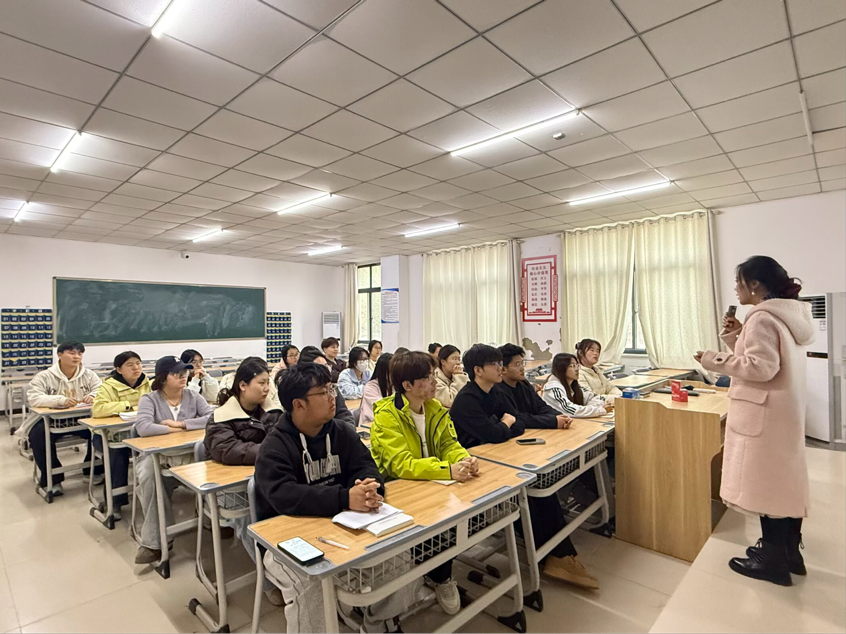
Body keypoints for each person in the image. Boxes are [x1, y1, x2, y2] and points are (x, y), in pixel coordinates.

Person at [256, 364, 415, 633]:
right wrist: (344, 498)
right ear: (298, 404)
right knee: (312, 583)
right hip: (286, 540)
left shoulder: (341, 431)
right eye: (324, 392)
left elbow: (366, 466)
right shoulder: (275, 446)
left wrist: (369, 488)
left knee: (399, 557)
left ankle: (378, 625)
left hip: (343, 526)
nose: (334, 397)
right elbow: (284, 496)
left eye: (332, 389)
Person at [695, 256, 813, 587]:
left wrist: (714, 359)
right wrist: (738, 336)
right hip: (783, 412)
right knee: (785, 484)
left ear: (755, 284)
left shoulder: (762, 316)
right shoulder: (788, 315)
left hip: (764, 415)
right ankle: (789, 553)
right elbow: (766, 359)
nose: (736, 288)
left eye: (739, 281)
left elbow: (761, 368)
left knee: (767, 488)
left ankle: (771, 560)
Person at [451, 344, 599, 589]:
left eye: (501, 363)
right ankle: (555, 554)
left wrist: (505, 424)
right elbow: (494, 433)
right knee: (530, 496)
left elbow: (517, 422)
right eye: (495, 364)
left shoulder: (494, 392)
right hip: (477, 466)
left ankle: (560, 554)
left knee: (542, 491)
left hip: (501, 456)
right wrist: (504, 424)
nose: (500, 368)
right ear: (478, 370)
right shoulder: (466, 400)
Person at [370, 351, 478, 615]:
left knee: (461, 515)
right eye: (428, 378)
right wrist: (446, 470)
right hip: (401, 491)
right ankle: (440, 577)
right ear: (407, 385)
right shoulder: (387, 415)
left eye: (433, 376)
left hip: (434, 485)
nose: (434, 383)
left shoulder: (435, 409)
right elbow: (401, 465)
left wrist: (463, 459)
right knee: (438, 525)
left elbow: (449, 444)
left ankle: (437, 572)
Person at [204, 357, 284, 606]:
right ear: (242, 385)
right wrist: (271, 451)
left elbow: (285, 439)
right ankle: (270, 581)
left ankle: (288, 568)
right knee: (249, 519)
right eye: (261, 383)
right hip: (231, 489)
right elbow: (228, 450)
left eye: (268, 382)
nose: (267, 388)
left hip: (264, 479)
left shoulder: (271, 411)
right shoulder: (220, 416)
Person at [133, 355, 213, 565]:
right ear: (162, 378)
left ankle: (211, 518)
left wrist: (182, 424)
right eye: (176, 373)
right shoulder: (150, 399)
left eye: (184, 372)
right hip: (157, 456)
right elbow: (143, 427)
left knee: (214, 467)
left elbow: (211, 418)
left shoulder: (193, 395)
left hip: (189, 454)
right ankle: (156, 541)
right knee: (148, 477)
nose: (183, 376)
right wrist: (173, 430)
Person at [23, 341, 102, 497]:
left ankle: (92, 470)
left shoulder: (89, 374)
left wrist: (93, 396)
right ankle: (53, 478)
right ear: (59, 355)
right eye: (72, 353)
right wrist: (60, 400)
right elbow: (34, 398)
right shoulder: (45, 376)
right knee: (37, 435)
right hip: (51, 419)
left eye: (79, 353)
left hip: (82, 417)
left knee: (101, 431)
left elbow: (101, 389)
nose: (76, 357)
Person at [92, 350, 151, 515]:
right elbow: (98, 409)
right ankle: (114, 502)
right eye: (130, 365)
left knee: (156, 450)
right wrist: (127, 405)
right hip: (108, 436)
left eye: (138, 363)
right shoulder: (108, 386)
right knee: (118, 454)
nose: (136, 368)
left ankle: (158, 490)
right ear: (119, 369)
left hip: (138, 433)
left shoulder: (148, 383)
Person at [495, 344, 572, 430]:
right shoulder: (497, 391)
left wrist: (560, 416)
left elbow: (541, 406)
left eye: (522, 363)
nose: (522, 368)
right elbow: (518, 417)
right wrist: (553, 421)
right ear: (503, 369)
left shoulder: (524, 384)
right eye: (517, 364)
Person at [297, 346, 356, 428]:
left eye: (326, 366)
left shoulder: (333, 389)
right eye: (320, 368)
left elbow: (344, 415)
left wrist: (345, 431)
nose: (326, 371)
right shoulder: (301, 393)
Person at [542, 354, 614, 418]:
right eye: (572, 366)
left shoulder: (573, 385)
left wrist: (593, 407)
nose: (577, 369)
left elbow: (594, 397)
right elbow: (571, 410)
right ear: (562, 369)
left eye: (577, 365)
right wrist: (599, 410)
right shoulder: (553, 389)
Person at [360, 352, 393, 426]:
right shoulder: (370, 387)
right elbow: (382, 408)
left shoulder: (394, 386)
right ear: (384, 371)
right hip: (371, 425)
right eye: (392, 371)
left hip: (388, 424)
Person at [434, 344, 469, 408]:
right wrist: (459, 377)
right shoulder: (435, 380)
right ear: (443, 362)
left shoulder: (459, 375)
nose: (458, 362)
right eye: (454, 359)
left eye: (459, 359)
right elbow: (451, 401)